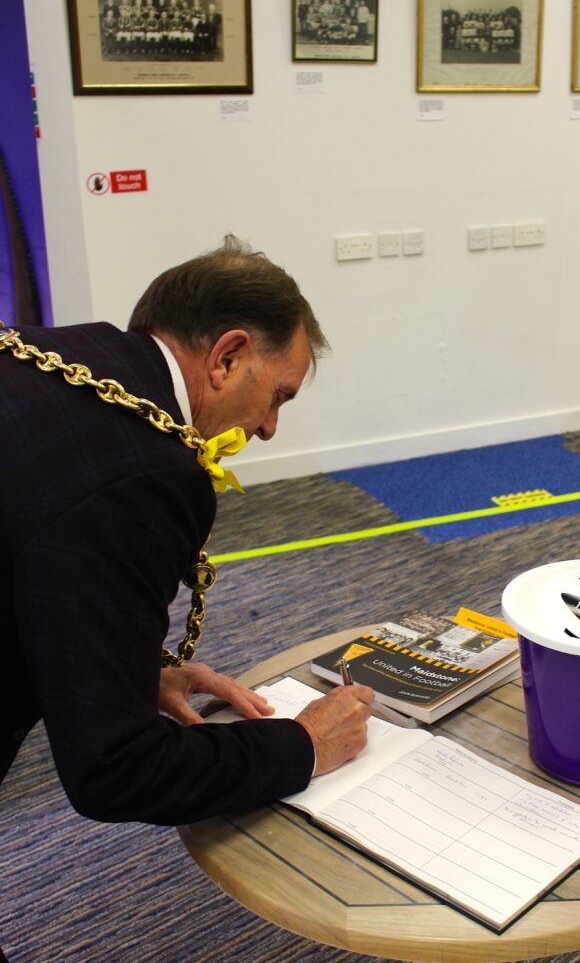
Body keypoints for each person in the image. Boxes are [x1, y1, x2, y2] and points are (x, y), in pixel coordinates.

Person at [0, 236, 374, 836]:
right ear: (227, 357)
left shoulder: (46, 354)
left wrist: (131, 669)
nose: (269, 428)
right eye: (278, 396)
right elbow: (117, 768)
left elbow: (39, 556)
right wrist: (306, 743)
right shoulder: (144, 474)